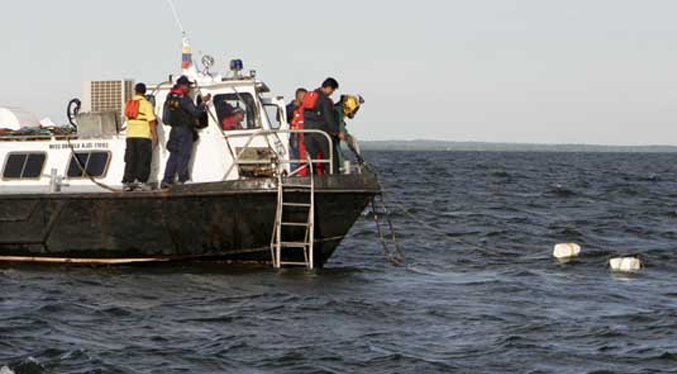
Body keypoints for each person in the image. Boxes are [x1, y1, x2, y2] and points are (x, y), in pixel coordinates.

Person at [161, 76, 211, 188]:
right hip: (184, 130)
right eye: (188, 86)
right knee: (184, 154)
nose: (189, 88)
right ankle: (183, 179)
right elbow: (196, 112)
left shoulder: (170, 96)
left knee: (173, 154)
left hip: (174, 130)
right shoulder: (184, 99)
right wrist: (203, 103)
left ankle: (167, 180)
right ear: (182, 86)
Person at [122, 83, 158, 191]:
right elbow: (151, 121)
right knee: (143, 159)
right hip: (143, 135)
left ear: (135, 91)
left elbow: (127, 119)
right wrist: (155, 135)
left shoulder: (128, 103)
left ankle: (128, 182)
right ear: (144, 92)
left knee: (130, 158)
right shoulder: (147, 104)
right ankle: (141, 182)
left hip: (130, 135)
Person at [303, 78, 340, 175]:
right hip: (321, 133)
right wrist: (336, 131)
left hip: (307, 132)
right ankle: (334, 178)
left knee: (312, 158)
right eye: (332, 90)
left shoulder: (309, 97)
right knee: (331, 157)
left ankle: (311, 177)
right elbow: (329, 118)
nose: (332, 93)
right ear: (328, 88)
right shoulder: (325, 100)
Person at [334, 95, 365, 169]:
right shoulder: (337, 113)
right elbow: (344, 135)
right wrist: (358, 155)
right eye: (355, 109)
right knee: (342, 163)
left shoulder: (336, 111)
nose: (355, 112)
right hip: (329, 144)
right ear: (349, 106)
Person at [287, 88, 307, 174]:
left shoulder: (306, 108)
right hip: (295, 135)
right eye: (304, 96)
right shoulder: (289, 108)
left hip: (306, 134)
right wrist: (294, 107)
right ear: (299, 96)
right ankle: (298, 172)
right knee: (297, 156)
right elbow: (281, 117)